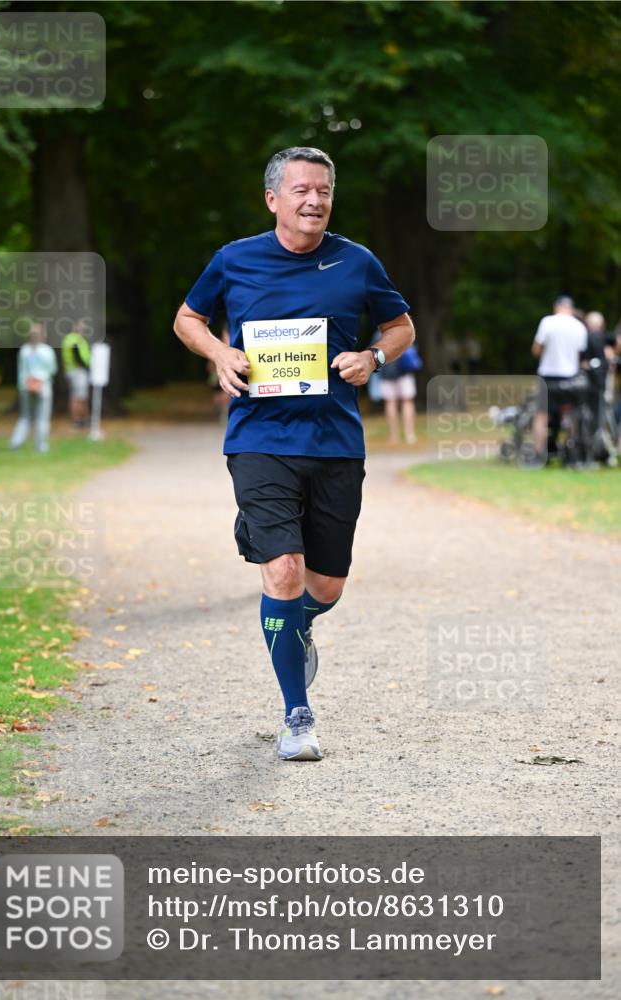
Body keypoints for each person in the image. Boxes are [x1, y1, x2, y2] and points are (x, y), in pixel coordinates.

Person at [174, 146, 414, 761]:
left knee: (325, 586)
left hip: (335, 441)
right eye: (302, 190)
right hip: (259, 437)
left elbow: (401, 326)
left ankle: (298, 623)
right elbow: (187, 319)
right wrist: (220, 354)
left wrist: (374, 357)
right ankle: (296, 715)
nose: (315, 201)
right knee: (282, 570)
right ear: (273, 198)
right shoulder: (234, 259)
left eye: (324, 191)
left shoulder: (356, 261)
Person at [531, 295, 588, 460]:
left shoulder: (548, 322)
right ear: (571, 308)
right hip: (571, 377)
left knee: (541, 415)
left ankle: (538, 454)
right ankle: (572, 454)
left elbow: (536, 349)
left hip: (548, 375)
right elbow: (581, 355)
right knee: (571, 414)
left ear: (556, 306)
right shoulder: (579, 326)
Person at [10, 323, 58, 454]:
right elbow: (52, 369)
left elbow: (21, 370)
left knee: (25, 417)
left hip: (25, 386)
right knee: (42, 417)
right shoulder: (47, 350)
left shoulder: (24, 350)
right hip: (43, 386)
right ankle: (41, 446)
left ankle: (15, 443)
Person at [370, 329, 419, 445]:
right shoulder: (402, 330)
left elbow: (372, 355)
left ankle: (394, 436)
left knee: (390, 403)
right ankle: (409, 434)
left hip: (386, 374)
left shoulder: (378, 335)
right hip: (404, 372)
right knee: (407, 402)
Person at [62, 321, 91, 428]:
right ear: (74, 326)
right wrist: (86, 366)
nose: (83, 328)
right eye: (80, 325)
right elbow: (77, 355)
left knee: (78, 396)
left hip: (73, 371)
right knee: (79, 397)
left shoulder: (70, 339)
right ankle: (79, 420)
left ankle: (80, 420)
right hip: (78, 371)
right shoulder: (75, 339)